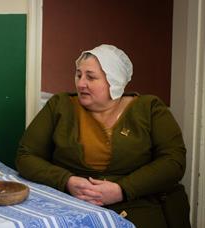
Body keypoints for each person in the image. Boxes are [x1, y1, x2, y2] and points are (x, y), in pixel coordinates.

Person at [15, 44, 191, 228]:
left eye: (91, 77)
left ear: (114, 81)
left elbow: (173, 162)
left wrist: (122, 190)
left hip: (138, 205)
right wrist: (66, 181)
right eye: (78, 74)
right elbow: (26, 156)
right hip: (71, 205)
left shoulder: (150, 108)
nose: (81, 83)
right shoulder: (60, 106)